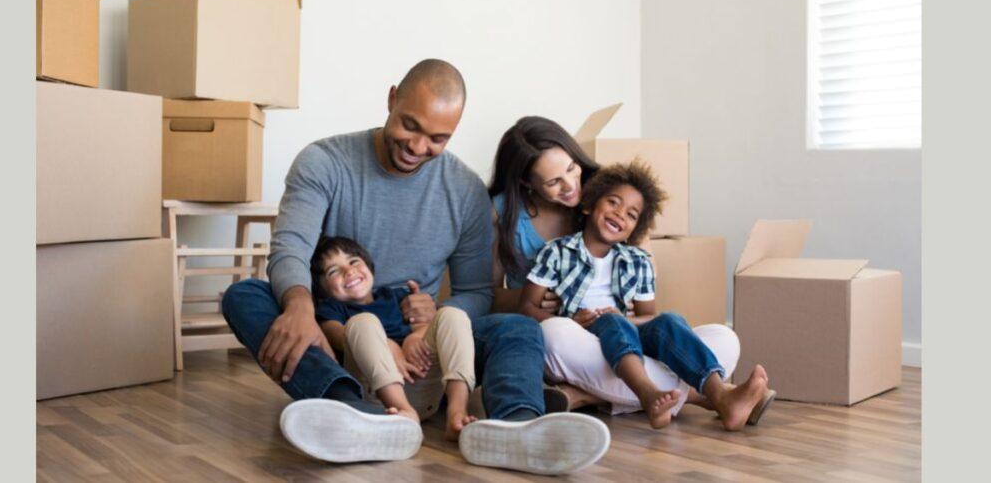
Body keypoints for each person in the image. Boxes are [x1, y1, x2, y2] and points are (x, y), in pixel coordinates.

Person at [221, 59, 609, 475]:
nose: (418, 146)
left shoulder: (464, 191)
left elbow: (477, 290)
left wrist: (432, 319)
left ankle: (515, 426)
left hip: (422, 349)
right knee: (245, 296)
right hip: (337, 332)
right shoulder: (324, 162)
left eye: (438, 138)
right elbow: (291, 247)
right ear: (391, 99)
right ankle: (347, 407)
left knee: (518, 327)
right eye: (410, 125)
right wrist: (299, 306)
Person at [488, 117, 755, 419]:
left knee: (724, 339)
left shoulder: (612, 193)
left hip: (627, 335)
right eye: (553, 182)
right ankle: (703, 395)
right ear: (526, 183)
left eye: (572, 168)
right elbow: (495, 297)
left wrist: (634, 319)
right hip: (570, 337)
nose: (571, 185)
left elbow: (646, 306)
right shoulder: (521, 225)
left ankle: (586, 396)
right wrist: (550, 305)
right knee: (554, 334)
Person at [519, 162, 777, 431]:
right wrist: (572, 320)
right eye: (613, 202)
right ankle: (656, 394)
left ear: (635, 229)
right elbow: (526, 307)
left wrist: (628, 321)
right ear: (588, 205)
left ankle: (717, 394)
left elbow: (648, 316)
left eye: (631, 214)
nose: (620, 214)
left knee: (696, 329)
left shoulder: (638, 261)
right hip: (583, 340)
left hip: (628, 341)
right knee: (561, 331)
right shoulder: (557, 252)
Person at [310, 235, 478, 441]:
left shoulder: (394, 296)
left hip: (422, 382)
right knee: (363, 322)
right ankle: (404, 412)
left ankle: (457, 412)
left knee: (453, 315)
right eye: (333, 271)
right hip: (378, 395)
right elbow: (337, 336)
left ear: (370, 268)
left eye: (353, 261)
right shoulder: (331, 309)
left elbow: (424, 326)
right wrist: (387, 345)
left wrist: (414, 338)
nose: (349, 271)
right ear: (322, 289)